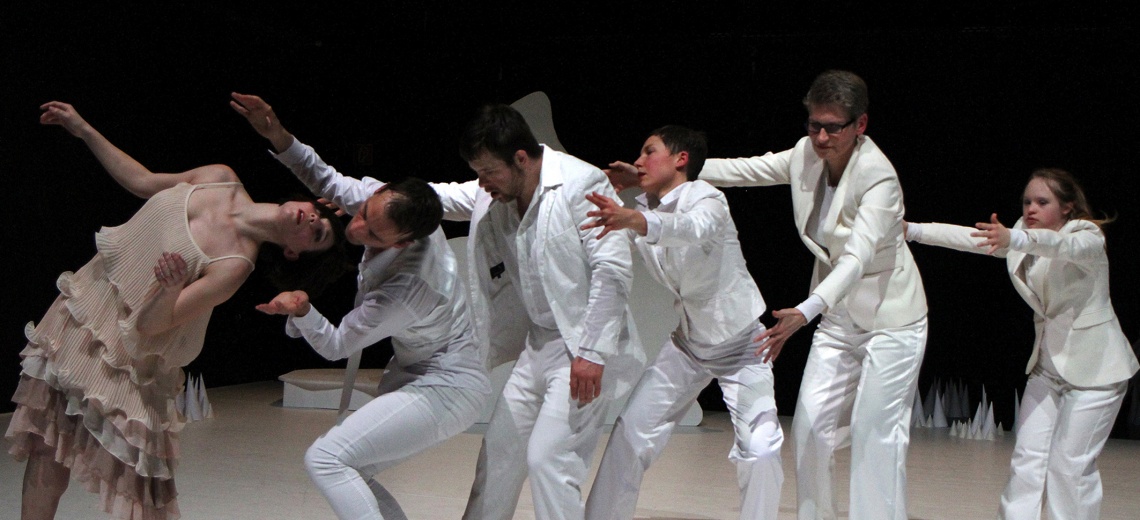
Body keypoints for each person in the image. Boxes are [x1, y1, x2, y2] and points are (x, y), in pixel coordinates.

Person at [7, 101, 346, 520]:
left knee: (142, 493)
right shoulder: (220, 179)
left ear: (295, 251)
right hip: (88, 310)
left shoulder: (235, 264)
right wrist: (83, 129)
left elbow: (152, 325)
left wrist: (168, 291)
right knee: (47, 444)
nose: (312, 221)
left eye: (317, 236)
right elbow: (143, 181)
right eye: (318, 217)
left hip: (128, 360)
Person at [230, 92, 492, 520]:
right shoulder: (389, 205)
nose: (355, 226)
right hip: (416, 371)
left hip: (449, 388)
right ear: (382, 191)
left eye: (373, 233)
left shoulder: (409, 286)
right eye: (364, 213)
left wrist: (302, 310)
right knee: (354, 470)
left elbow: (336, 345)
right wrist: (277, 134)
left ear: (403, 243)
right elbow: (327, 180)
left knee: (327, 459)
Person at [690, 70, 929, 520]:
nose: (820, 136)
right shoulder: (805, 153)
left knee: (876, 434)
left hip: (891, 319)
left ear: (860, 125)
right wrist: (679, 169)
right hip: (840, 316)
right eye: (814, 124)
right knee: (811, 429)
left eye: (832, 127)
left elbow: (856, 259)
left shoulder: (880, 179)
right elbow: (748, 170)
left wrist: (806, 310)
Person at [416, 103, 643, 520]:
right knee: (500, 451)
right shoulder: (497, 194)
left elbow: (612, 271)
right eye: (478, 173)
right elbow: (438, 196)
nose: (482, 184)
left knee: (549, 461)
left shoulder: (582, 183)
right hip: (539, 346)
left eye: (488, 172)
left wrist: (592, 353)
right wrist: (374, 198)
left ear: (520, 158)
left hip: (583, 346)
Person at [905, 168, 1138, 520]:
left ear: (1067, 207)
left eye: (1042, 202)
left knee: (1069, 468)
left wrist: (1016, 239)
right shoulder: (1020, 237)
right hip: (1047, 367)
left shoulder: (1086, 236)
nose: (1031, 208)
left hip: (1097, 372)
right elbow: (972, 238)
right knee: (1027, 460)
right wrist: (914, 231)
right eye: (1027, 201)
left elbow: (1063, 247)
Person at [582, 126, 784, 520]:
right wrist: (634, 204)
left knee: (760, 450)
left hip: (743, 345)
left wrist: (637, 219)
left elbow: (693, 229)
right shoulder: (644, 208)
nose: (638, 160)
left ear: (681, 159)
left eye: (648, 151)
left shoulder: (706, 198)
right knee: (629, 436)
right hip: (688, 345)